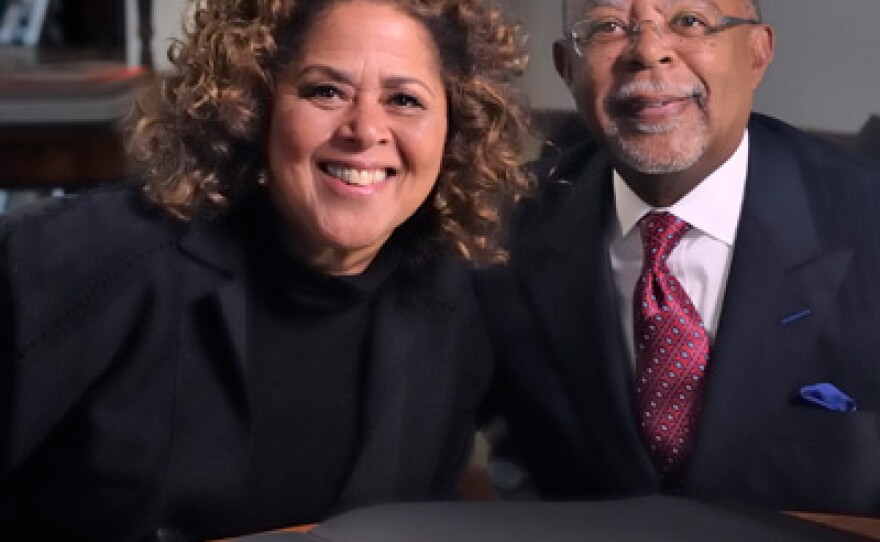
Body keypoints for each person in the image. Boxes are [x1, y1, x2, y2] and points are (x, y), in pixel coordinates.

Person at [0, 0, 531, 539]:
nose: (365, 129)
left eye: (404, 99)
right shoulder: (85, 258)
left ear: (455, 130)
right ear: (254, 106)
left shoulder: (463, 294)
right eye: (326, 91)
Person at [477, 0, 880, 516]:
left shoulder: (864, 218)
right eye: (609, 27)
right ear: (567, 67)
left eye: (689, 21)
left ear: (757, 53)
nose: (648, 51)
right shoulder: (501, 229)